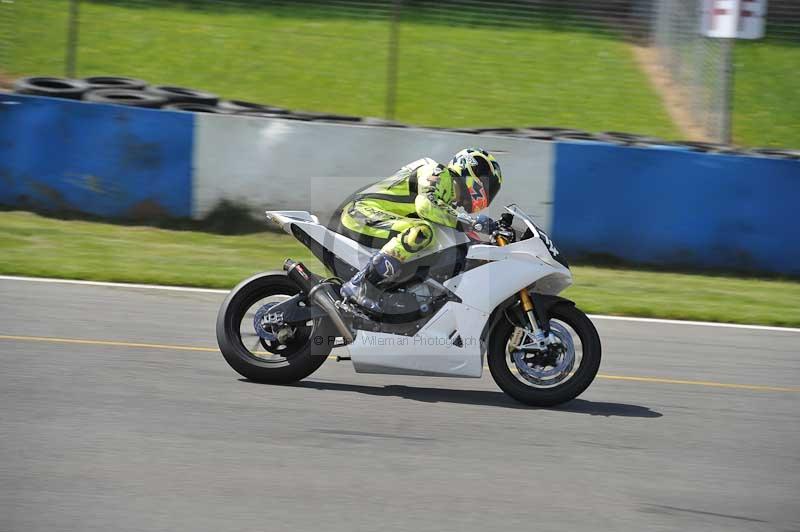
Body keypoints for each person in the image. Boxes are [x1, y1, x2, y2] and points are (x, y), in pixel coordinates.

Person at [335, 148, 503, 313]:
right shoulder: (437, 172)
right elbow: (426, 205)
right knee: (422, 231)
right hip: (361, 213)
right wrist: (471, 222)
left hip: (377, 220)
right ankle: (360, 285)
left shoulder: (447, 202)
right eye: (488, 185)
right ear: (471, 171)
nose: (488, 193)